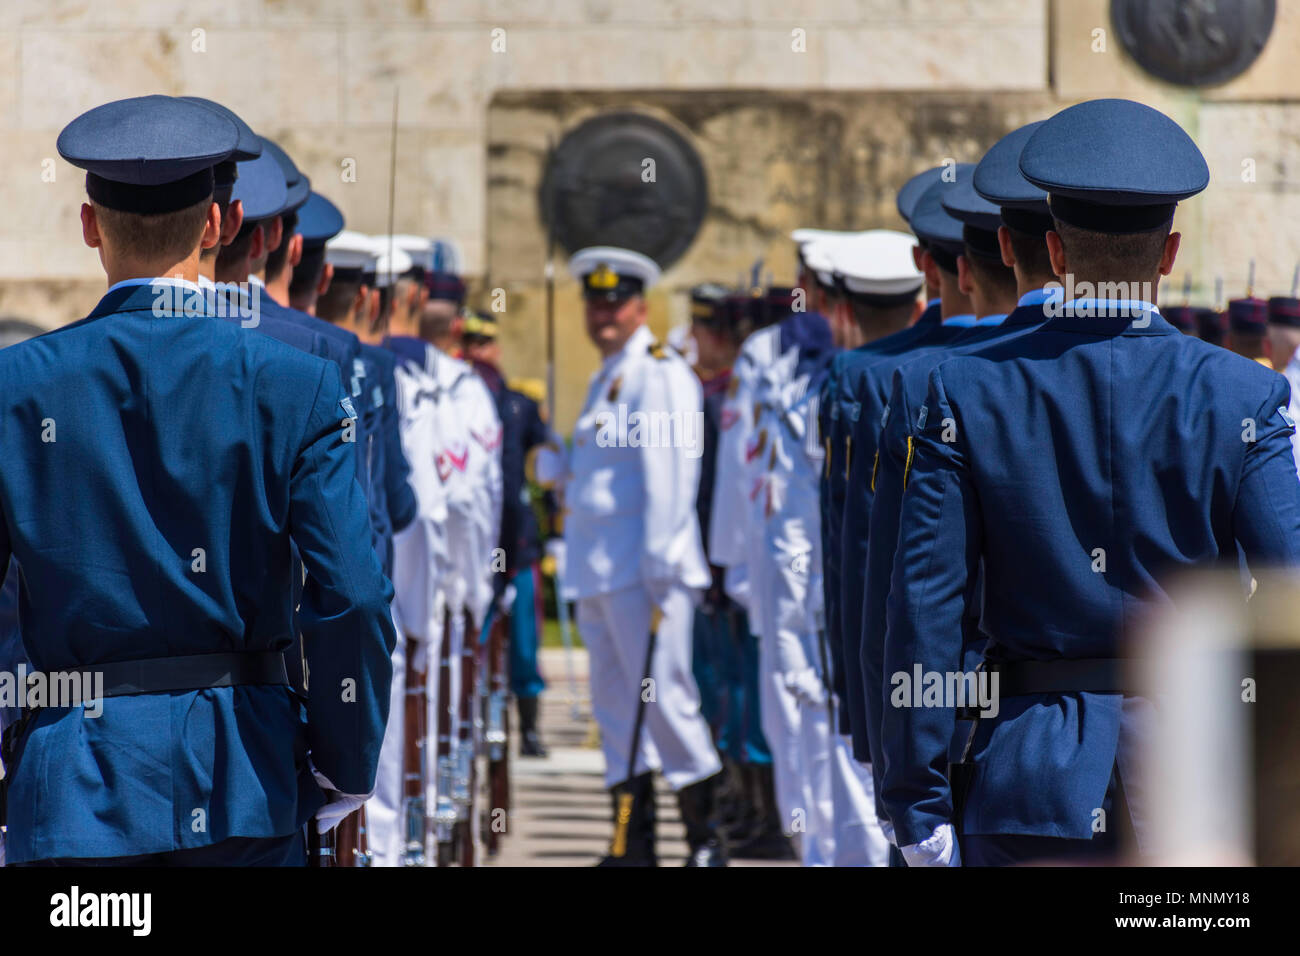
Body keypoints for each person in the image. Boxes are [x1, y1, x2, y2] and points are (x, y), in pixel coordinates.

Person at [882, 98, 1300, 867]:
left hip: (1029, 779)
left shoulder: (964, 391)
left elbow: (926, 610)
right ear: (1170, 253)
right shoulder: (1245, 396)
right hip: (1196, 785)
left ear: (1053, 248)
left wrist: (916, 802)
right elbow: (1289, 598)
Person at [0, 95, 394, 866]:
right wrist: (344, 764)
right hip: (245, 780)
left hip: (70, 788)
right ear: (220, 224)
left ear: (89, 226)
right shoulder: (296, 383)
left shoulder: (16, 386)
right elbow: (352, 592)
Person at [859, 122, 1059, 858]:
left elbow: (910, 598)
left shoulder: (934, 384)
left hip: (996, 740)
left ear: (999, 251)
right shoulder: (1230, 391)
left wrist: (909, 781)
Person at [560, 246, 724, 866]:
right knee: (617, 710)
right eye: (594, 302)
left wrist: (661, 569)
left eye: (615, 301)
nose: (603, 312)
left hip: (644, 575)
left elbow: (672, 478)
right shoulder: (610, 376)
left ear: (640, 307)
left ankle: (708, 843)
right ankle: (634, 843)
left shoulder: (659, 373)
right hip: (602, 572)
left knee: (668, 704)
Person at [461, 310, 552, 756]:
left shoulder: (519, 404)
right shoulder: (458, 400)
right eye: (470, 343)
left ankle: (529, 730)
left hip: (517, 546)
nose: (478, 352)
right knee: (473, 642)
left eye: (485, 343)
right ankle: (471, 722)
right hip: (474, 549)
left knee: (522, 645)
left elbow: (547, 460)